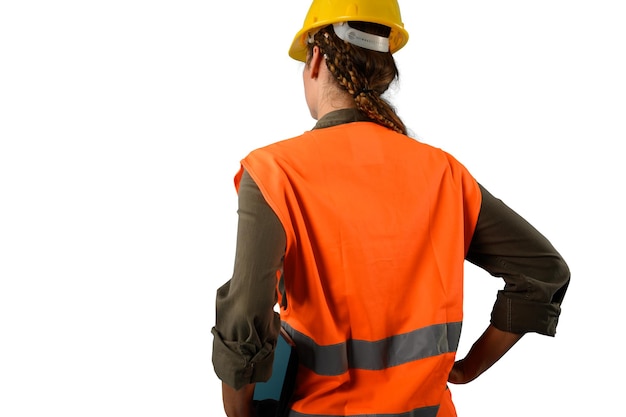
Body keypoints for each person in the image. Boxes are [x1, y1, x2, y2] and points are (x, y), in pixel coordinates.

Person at [211, 1, 570, 416]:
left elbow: (245, 317)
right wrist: (470, 368)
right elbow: (543, 272)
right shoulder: (444, 173)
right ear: (383, 68)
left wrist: (240, 413)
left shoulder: (275, 172)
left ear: (315, 60)